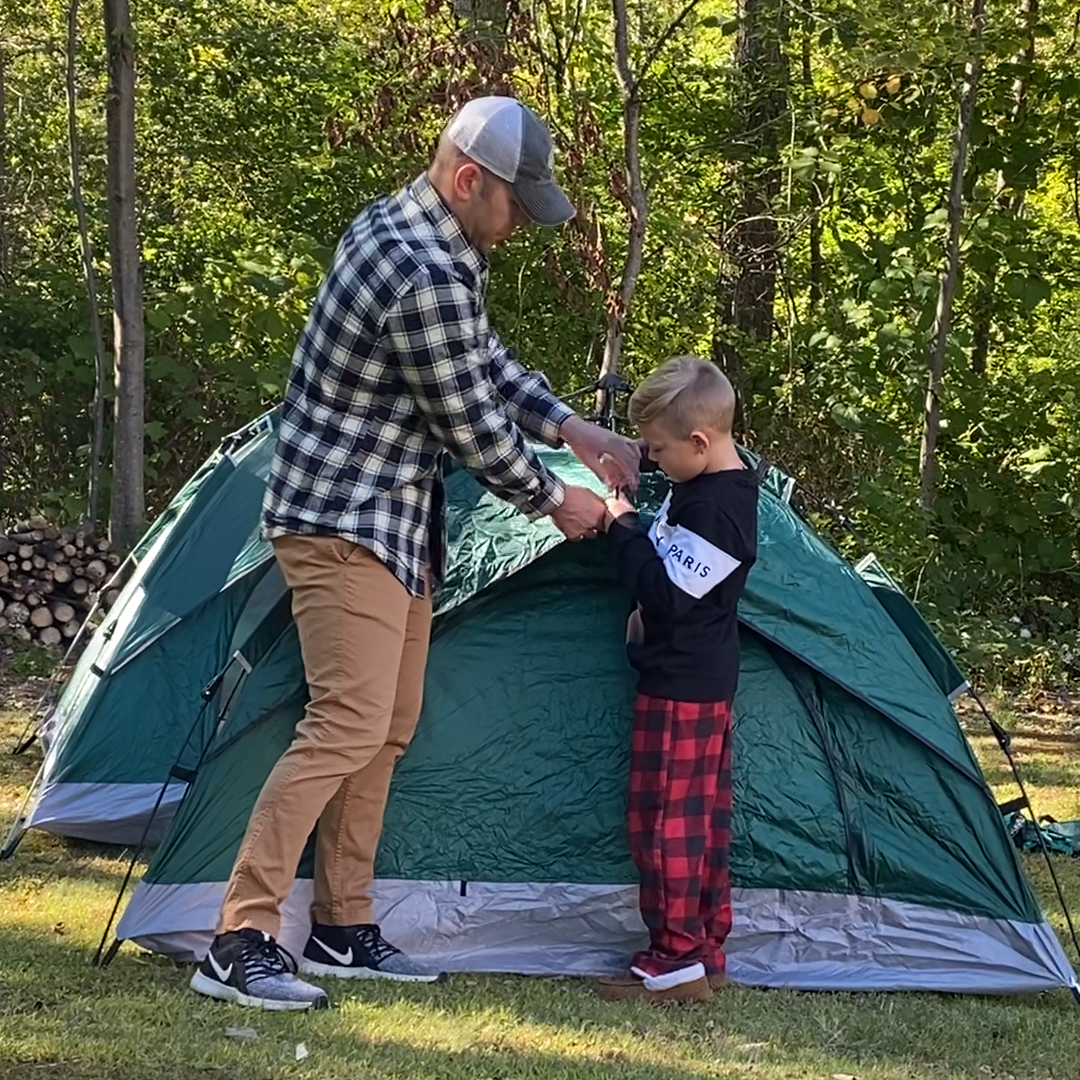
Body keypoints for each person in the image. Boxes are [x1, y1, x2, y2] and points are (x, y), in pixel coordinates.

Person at [189, 95, 640, 1011]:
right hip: (344, 521)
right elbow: (470, 422)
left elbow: (482, 364)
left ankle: (343, 928)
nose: (517, 227)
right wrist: (560, 500)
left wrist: (569, 423)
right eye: (514, 205)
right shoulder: (417, 266)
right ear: (468, 179)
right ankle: (237, 938)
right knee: (346, 724)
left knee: (385, 728)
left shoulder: (431, 239)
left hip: (398, 525)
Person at [596, 356, 758, 1004]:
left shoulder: (720, 509)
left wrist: (619, 526)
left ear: (700, 442)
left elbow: (667, 594)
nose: (654, 461)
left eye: (660, 449)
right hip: (694, 680)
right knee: (696, 824)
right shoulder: (704, 486)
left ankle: (677, 961)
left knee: (665, 826)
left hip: (683, 687)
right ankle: (703, 952)